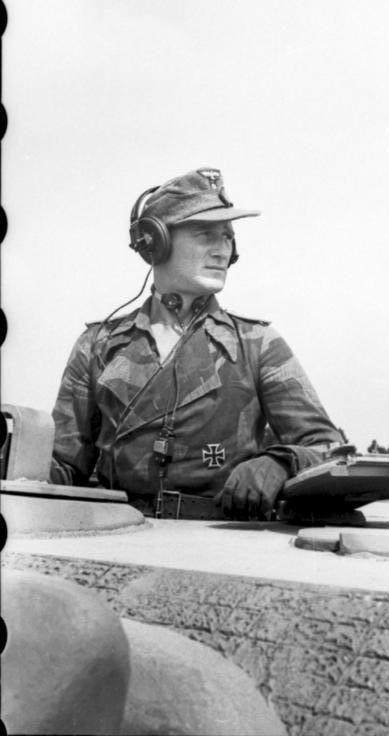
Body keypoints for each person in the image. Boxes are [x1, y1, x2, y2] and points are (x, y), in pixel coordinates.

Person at [50, 167, 345, 520]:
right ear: (155, 242)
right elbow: (62, 467)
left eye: (227, 237)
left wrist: (279, 462)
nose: (222, 251)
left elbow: (331, 450)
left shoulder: (256, 345)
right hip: (121, 534)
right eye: (206, 234)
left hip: (222, 544)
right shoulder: (98, 345)